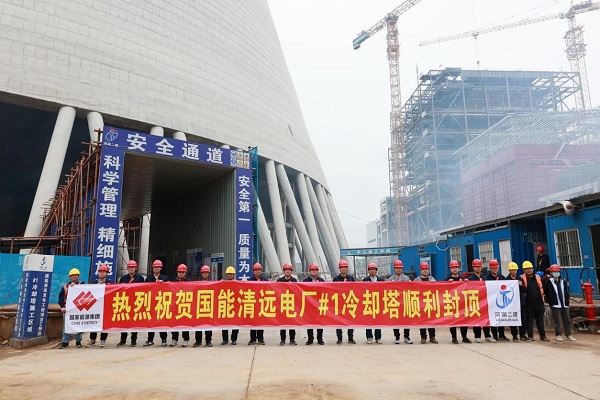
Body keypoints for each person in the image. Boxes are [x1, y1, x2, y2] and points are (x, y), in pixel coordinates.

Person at [544, 264, 576, 342]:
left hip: (564, 304)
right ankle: (558, 334)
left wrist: (567, 301)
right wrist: (551, 301)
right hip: (555, 304)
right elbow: (546, 292)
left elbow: (566, 292)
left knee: (567, 320)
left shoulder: (563, 282)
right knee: (557, 320)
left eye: (557, 271)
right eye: (554, 272)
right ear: (551, 273)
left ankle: (568, 334)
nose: (556, 273)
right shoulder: (549, 282)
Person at [117, 260, 145, 347]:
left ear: (135, 268)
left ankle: (133, 340)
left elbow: (143, 289)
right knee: (124, 321)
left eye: (133, 267)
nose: (131, 269)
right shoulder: (123, 278)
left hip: (136, 302)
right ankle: (123, 340)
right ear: (127, 268)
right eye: (129, 267)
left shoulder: (140, 278)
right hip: (125, 302)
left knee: (134, 322)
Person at [521, 261, 549, 342]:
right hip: (528, 302)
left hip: (539, 301)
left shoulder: (538, 277)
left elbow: (543, 288)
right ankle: (530, 336)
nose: (528, 270)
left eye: (529, 268)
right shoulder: (521, 278)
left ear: (533, 269)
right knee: (529, 320)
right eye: (526, 269)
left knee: (540, 320)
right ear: (524, 270)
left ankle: (542, 336)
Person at [144, 259, 170, 347]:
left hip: (161, 302)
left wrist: (164, 284)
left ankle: (164, 340)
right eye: (155, 267)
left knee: (162, 322)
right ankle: (150, 339)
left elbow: (169, 289)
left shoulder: (165, 278)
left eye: (158, 267)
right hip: (151, 303)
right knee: (151, 322)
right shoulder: (148, 279)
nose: (156, 268)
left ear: (161, 268)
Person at [445, 260, 471, 344]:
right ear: (450, 269)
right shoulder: (447, 279)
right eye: (453, 268)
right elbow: (443, 289)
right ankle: (454, 337)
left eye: (456, 267)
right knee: (453, 320)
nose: (455, 269)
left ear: (458, 268)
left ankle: (464, 337)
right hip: (452, 302)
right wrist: (447, 283)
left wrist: (467, 283)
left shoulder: (462, 279)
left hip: (462, 303)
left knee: (464, 320)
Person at [58, 268, 85, 349]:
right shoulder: (65, 286)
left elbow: (86, 292)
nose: (74, 277)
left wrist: (76, 287)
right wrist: (62, 307)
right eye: (72, 275)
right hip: (67, 309)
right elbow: (61, 297)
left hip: (78, 309)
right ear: (69, 277)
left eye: (75, 275)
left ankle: (78, 342)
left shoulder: (82, 284)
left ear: (78, 276)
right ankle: (65, 342)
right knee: (66, 325)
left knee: (77, 324)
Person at [468, 259, 493, 343]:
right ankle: (477, 336)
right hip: (475, 300)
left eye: (479, 267)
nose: (478, 268)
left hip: (485, 300)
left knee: (485, 317)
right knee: (476, 318)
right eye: (476, 267)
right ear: (473, 268)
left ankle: (487, 335)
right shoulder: (470, 279)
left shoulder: (484, 277)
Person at [388, 260, 413, 344]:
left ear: (402, 269)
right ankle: (397, 337)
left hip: (405, 302)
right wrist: (390, 284)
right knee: (395, 320)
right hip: (395, 302)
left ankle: (406, 336)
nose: (398, 269)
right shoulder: (391, 279)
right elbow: (387, 290)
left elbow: (411, 289)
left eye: (400, 268)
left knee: (406, 320)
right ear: (394, 269)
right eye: (397, 268)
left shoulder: (407, 279)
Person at [86, 264, 111, 347]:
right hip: (95, 306)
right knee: (94, 322)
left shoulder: (110, 284)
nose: (102, 273)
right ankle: (92, 339)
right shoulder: (93, 283)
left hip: (106, 306)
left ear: (107, 273)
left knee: (105, 323)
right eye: (100, 271)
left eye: (104, 272)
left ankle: (103, 339)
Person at [484, 260, 510, 342]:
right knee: (493, 318)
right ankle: (495, 335)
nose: (495, 269)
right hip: (491, 301)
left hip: (500, 301)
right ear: (490, 268)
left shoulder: (501, 277)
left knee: (501, 317)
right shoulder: (487, 278)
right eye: (493, 268)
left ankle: (502, 334)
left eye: (496, 268)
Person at [332, 259, 356, 344]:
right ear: (339, 269)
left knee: (350, 321)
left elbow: (355, 289)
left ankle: (350, 338)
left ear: (347, 268)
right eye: (342, 267)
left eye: (345, 267)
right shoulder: (335, 279)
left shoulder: (351, 278)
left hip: (349, 302)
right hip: (339, 303)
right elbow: (333, 290)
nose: (343, 269)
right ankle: (339, 338)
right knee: (338, 321)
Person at [414, 261, 437, 344]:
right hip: (421, 303)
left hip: (430, 303)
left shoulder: (432, 279)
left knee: (431, 321)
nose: (425, 270)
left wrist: (434, 284)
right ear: (420, 270)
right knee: (422, 321)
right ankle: (423, 337)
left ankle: (432, 337)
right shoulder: (416, 280)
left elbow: (437, 290)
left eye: (426, 269)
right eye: (423, 269)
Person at [303, 263, 326, 345]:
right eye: (312, 270)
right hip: (309, 305)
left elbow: (324, 291)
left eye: (315, 270)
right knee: (309, 323)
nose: (314, 271)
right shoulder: (305, 281)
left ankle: (320, 339)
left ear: (317, 271)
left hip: (319, 304)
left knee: (319, 322)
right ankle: (310, 339)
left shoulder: (322, 280)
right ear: (310, 271)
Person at [363, 262, 384, 344]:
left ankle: (378, 337)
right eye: (370, 269)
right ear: (368, 271)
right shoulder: (365, 280)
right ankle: (369, 337)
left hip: (378, 302)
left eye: (373, 269)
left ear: (376, 270)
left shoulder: (381, 280)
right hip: (368, 302)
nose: (372, 271)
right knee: (368, 320)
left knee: (378, 321)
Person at [505, 262, 527, 341]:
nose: (514, 271)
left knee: (522, 319)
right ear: (509, 270)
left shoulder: (520, 279)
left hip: (520, 301)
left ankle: (522, 334)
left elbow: (525, 290)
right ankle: (514, 335)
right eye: (512, 270)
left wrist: (521, 285)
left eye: (515, 270)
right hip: (511, 302)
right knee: (513, 319)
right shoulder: (506, 280)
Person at [277, 263, 298, 346]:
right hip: (282, 304)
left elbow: (297, 291)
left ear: (291, 271)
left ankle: (292, 339)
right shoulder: (280, 281)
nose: (287, 271)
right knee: (283, 323)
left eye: (289, 270)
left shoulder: (294, 281)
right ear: (284, 271)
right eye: (286, 270)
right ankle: (282, 339)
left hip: (291, 304)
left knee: (292, 323)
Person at [170, 264, 191, 347]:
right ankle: (174, 339)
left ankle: (186, 339)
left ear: (185, 273)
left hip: (185, 304)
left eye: (182, 272)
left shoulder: (189, 282)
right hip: (176, 305)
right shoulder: (173, 282)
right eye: (179, 272)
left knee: (185, 323)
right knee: (174, 323)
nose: (181, 274)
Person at [248, 263, 268, 345]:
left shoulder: (265, 280)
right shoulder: (250, 280)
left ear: (261, 271)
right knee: (252, 322)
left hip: (261, 303)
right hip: (252, 303)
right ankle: (252, 339)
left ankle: (260, 339)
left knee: (260, 322)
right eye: (256, 270)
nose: (257, 271)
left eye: (259, 270)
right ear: (253, 271)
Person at [194, 265, 214, 347]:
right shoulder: (197, 284)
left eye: (206, 273)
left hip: (208, 306)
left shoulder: (212, 283)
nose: (205, 274)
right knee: (198, 325)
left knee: (208, 325)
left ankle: (208, 341)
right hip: (200, 306)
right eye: (204, 273)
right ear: (201, 274)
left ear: (208, 274)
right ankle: (198, 341)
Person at [221, 266, 239, 345]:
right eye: (228, 274)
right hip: (225, 305)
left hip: (235, 306)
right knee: (224, 324)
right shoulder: (223, 283)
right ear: (226, 275)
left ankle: (234, 339)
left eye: (231, 274)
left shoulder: (237, 283)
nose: (230, 275)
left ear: (233, 275)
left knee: (235, 324)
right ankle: (225, 339)